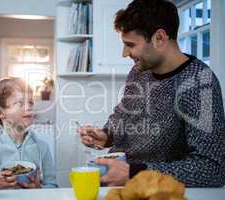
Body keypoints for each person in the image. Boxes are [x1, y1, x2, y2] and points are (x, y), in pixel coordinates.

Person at [78, 0, 225, 187]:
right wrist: (107, 135)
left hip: (155, 190)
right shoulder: (140, 71)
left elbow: (211, 168)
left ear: (159, 38)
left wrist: (136, 173)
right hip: (119, 182)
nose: (124, 53)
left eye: (130, 44)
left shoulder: (200, 83)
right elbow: (124, 114)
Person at [0, 77, 57, 190]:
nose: (29, 107)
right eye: (20, 103)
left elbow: (53, 186)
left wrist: (39, 188)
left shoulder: (42, 147)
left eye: (30, 102)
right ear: (1, 112)